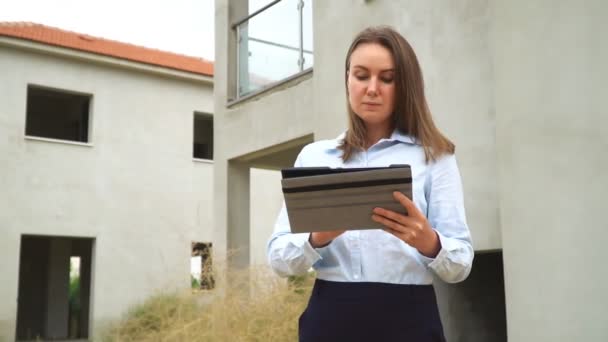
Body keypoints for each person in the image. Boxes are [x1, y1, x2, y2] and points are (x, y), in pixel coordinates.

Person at [267, 26, 474, 342]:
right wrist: (318, 237)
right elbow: (280, 259)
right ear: (347, 79)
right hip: (330, 318)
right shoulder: (314, 157)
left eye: (387, 78)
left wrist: (428, 241)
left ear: (405, 85)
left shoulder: (435, 157)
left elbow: (460, 265)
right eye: (361, 75)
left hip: (409, 320)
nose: (372, 88)